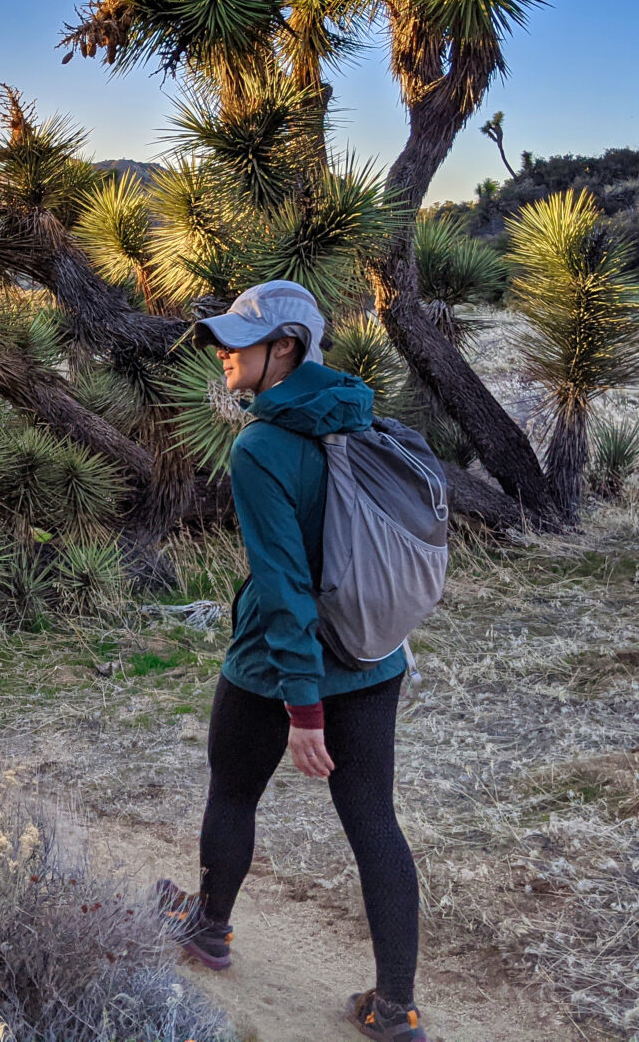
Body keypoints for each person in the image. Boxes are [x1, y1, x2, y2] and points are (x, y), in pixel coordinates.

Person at [157, 279, 429, 1042]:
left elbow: (282, 587)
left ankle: (209, 929)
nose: (222, 355)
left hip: (277, 665)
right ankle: (394, 1009)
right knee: (375, 820)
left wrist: (303, 708)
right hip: (375, 656)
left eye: (239, 343)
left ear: (285, 348)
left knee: (234, 792)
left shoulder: (261, 446)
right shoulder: (360, 412)